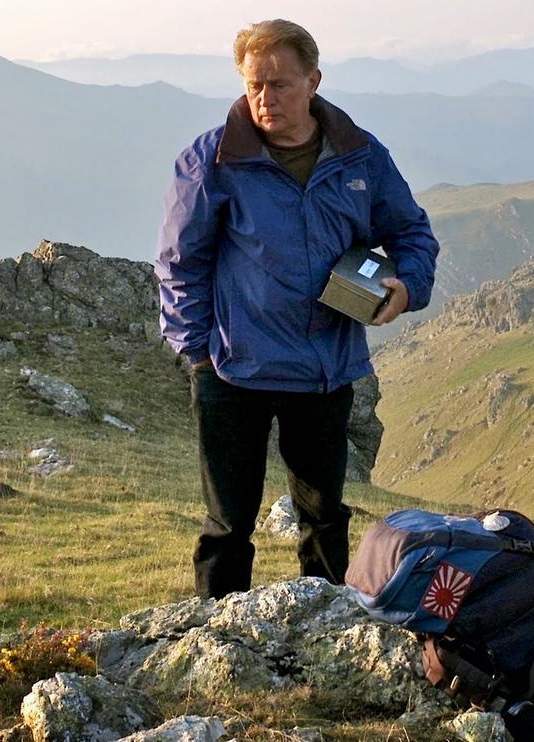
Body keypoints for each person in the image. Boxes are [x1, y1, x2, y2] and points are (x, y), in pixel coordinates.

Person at [155, 19, 439, 599]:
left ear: (313, 81)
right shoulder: (212, 160)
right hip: (234, 371)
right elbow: (179, 261)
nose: (265, 98)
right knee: (228, 526)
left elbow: (411, 231)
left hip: (324, 371)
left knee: (326, 519)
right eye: (255, 83)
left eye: (280, 84)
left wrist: (407, 287)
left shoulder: (359, 156)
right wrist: (197, 352)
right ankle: (221, 644)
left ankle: (333, 632)